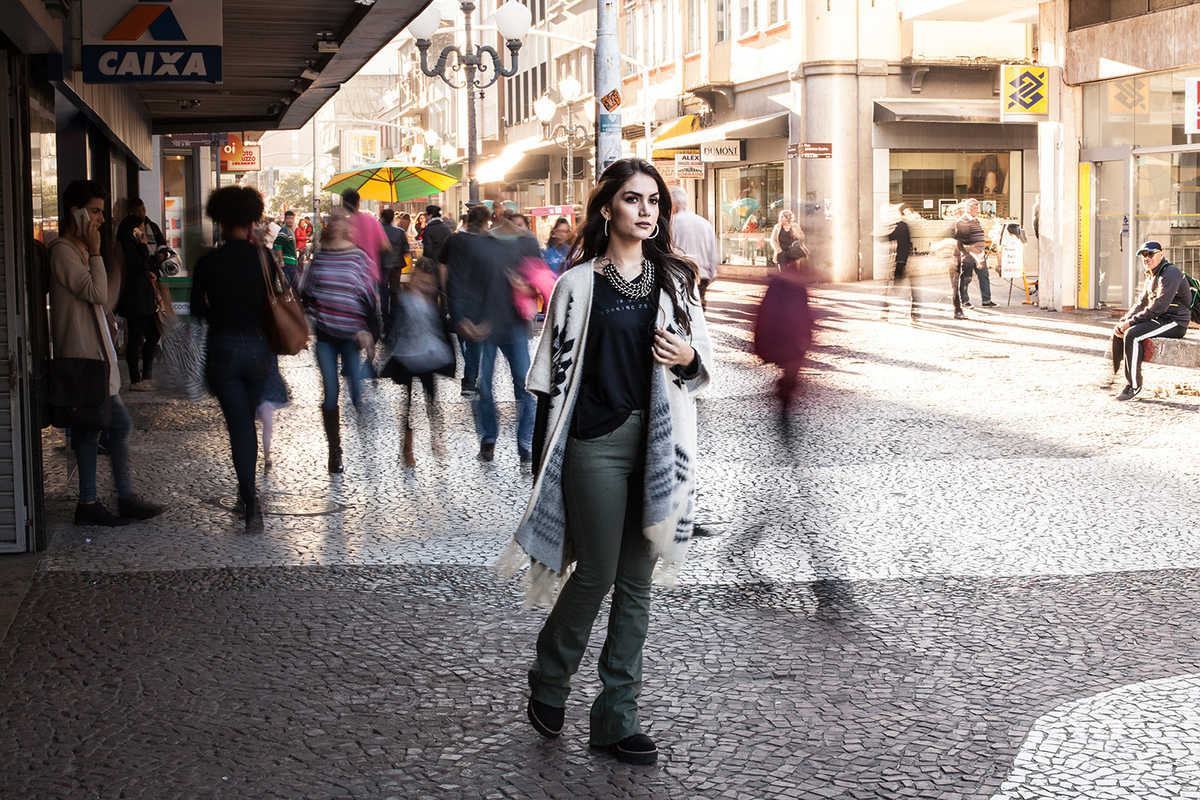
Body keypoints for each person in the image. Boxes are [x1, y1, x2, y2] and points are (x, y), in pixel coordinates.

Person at [501, 158, 712, 766]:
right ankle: (551, 672)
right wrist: (546, 468)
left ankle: (617, 717)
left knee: (638, 582)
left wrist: (688, 355)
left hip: (658, 443)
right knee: (595, 572)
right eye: (632, 199)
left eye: (654, 201)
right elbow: (547, 384)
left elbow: (701, 371)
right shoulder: (577, 285)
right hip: (593, 444)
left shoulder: (674, 280)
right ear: (607, 209)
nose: (646, 210)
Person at [49, 180, 164, 527]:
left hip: (95, 354)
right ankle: (111, 499)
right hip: (83, 356)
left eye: (101, 212)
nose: (100, 219)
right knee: (110, 424)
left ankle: (93, 502)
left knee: (91, 429)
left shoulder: (79, 249)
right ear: (77, 212)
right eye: (95, 211)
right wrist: (98, 252)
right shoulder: (63, 251)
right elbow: (96, 292)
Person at [190, 186, 275, 528]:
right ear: (252, 221)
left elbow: (196, 310)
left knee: (237, 424)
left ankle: (248, 497)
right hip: (258, 348)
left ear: (221, 222)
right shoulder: (264, 258)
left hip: (223, 347)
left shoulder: (209, 261)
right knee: (248, 425)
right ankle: (251, 503)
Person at [299, 209, 379, 473]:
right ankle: (335, 451)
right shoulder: (319, 258)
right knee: (330, 394)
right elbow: (307, 294)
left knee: (356, 390)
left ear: (346, 227)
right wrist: (316, 313)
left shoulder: (359, 257)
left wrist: (369, 333)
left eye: (339, 221)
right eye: (330, 220)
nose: (333, 225)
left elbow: (369, 297)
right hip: (325, 336)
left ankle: (365, 435)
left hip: (352, 335)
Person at [460, 213, 542, 463]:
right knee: (485, 388)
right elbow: (470, 284)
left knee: (526, 388)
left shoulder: (528, 243)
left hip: (516, 325)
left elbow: (542, 282)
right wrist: (468, 318)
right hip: (488, 325)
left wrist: (525, 288)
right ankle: (488, 439)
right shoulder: (483, 244)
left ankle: (525, 441)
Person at [381, 257, 455, 466]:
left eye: (431, 284)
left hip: (428, 355)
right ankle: (407, 447)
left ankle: (436, 438)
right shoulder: (403, 300)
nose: (428, 287)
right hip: (407, 356)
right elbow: (392, 327)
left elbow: (442, 326)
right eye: (423, 282)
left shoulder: (434, 301)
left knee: (432, 400)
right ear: (413, 279)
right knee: (408, 404)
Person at [1109, 241, 1191, 401]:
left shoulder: (1170, 273)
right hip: (1160, 319)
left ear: (1161, 254)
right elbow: (1141, 303)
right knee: (1122, 330)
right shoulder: (1153, 275)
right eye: (1143, 255)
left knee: (1133, 334)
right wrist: (1124, 320)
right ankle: (1114, 374)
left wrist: (1131, 323)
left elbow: (1159, 306)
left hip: (1175, 322)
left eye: (1150, 254)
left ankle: (1133, 386)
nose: (1147, 258)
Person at [755, 249, 815, 434]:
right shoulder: (786, 284)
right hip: (787, 338)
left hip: (789, 338)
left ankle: (784, 401)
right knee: (791, 370)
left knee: (791, 373)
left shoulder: (784, 283)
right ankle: (783, 402)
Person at [441, 204, 492, 399]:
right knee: (475, 341)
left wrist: (445, 291)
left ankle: (469, 379)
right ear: (485, 222)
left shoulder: (454, 239)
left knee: (465, 338)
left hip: (456, 295)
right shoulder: (488, 242)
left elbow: (441, 265)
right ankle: (470, 380)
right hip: (479, 297)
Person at [115, 199, 163, 392]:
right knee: (135, 338)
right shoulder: (128, 247)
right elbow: (140, 265)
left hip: (143, 295)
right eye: (140, 230)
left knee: (152, 333)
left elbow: (143, 267)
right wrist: (143, 246)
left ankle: (147, 375)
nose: (143, 234)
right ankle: (136, 380)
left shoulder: (133, 247)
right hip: (135, 298)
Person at [669, 186, 719, 310]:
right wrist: (710, 275)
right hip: (702, 276)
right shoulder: (705, 223)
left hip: (679, 276)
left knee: (680, 313)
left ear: (672, 204)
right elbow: (713, 254)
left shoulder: (671, 223)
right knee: (698, 313)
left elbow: (667, 252)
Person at [954, 199, 996, 309]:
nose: (977, 211)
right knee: (966, 278)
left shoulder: (976, 220)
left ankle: (986, 300)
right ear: (968, 209)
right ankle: (964, 301)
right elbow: (959, 241)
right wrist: (966, 254)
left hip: (979, 254)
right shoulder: (962, 221)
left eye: (977, 208)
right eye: (974, 209)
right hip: (969, 254)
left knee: (984, 276)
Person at [880, 204, 917, 321]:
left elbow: (889, 237)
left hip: (901, 261)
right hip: (904, 260)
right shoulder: (902, 225)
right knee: (911, 289)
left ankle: (886, 312)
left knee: (893, 288)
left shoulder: (901, 225)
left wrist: (876, 236)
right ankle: (913, 314)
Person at [379, 208, 410, 335]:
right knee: (395, 291)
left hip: (382, 265)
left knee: (383, 292)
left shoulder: (378, 231)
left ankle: (385, 318)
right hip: (396, 265)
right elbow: (406, 249)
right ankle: (394, 317)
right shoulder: (400, 232)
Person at [272, 210, 299, 286]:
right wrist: (281, 261)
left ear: (294, 220)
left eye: (291, 218)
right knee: (288, 286)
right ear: (285, 220)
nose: (290, 220)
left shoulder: (291, 231)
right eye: (288, 218)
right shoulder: (284, 230)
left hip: (292, 262)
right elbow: (277, 245)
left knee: (292, 286)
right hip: (287, 262)